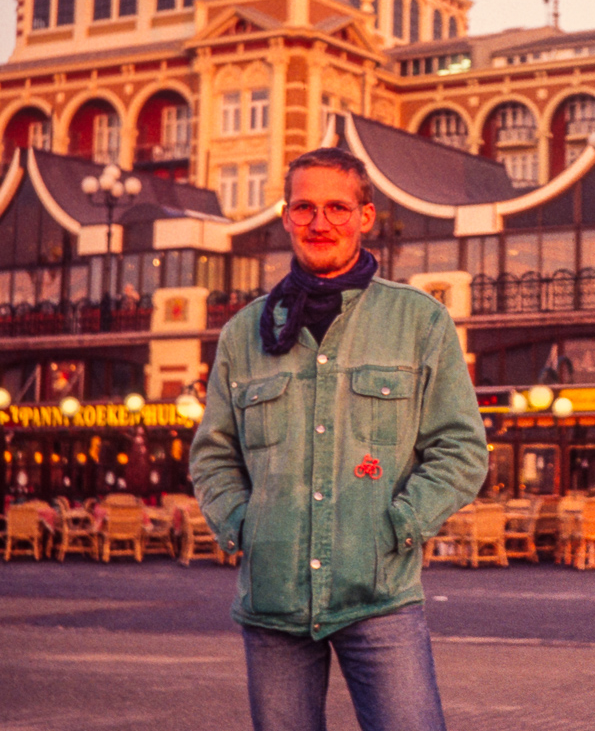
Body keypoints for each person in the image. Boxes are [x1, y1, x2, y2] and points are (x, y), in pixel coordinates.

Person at [190, 147, 487, 731]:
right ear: (285, 215)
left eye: (336, 207)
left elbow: (461, 449)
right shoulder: (242, 334)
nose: (319, 222)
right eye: (304, 207)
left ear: (365, 216)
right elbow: (214, 454)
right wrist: (243, 526)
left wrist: (399, 526)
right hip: (273, 604)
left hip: (379, 598)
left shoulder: (420, 323)